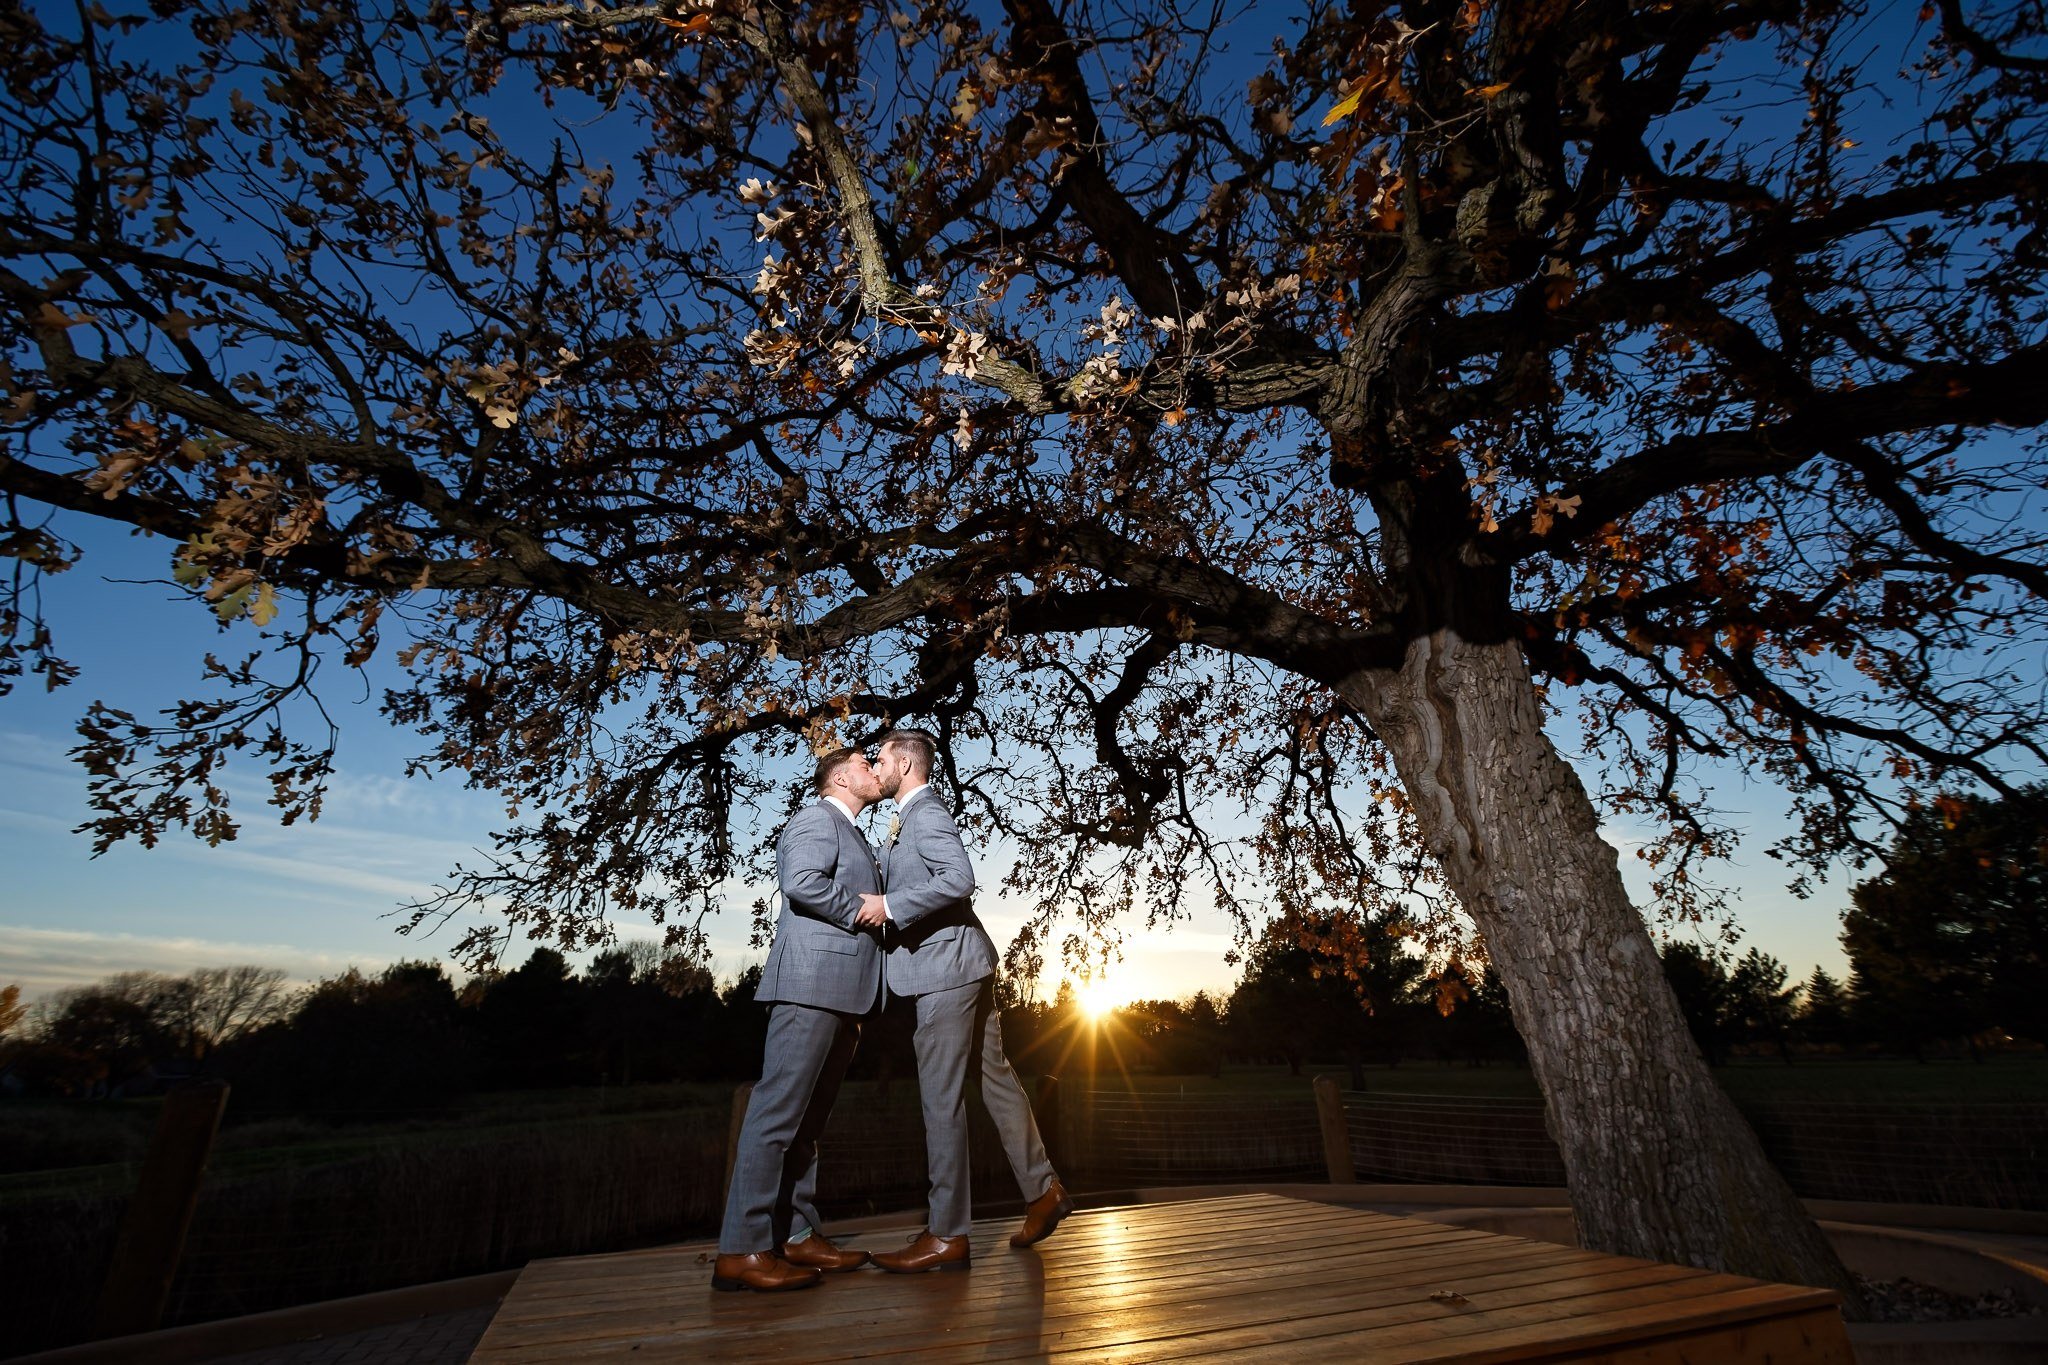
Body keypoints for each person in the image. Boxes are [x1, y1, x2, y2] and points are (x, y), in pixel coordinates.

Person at [866, 727, 1072, 1274]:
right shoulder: (907, 817)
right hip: (966, 964)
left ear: (906, 763)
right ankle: (1043, 1190)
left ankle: (947, 1234)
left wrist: (889, 906)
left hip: (945, 971)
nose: (875, 764)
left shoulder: (924, 811)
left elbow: (959, 878)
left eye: (881, 757)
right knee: (998, 1081)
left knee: (940, 1098)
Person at [711, 747, 891, 1292]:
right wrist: (861, 909)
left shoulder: (857, 833)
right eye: (865, 762)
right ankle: (741, 1249)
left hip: (846, 993)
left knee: (807, 1127)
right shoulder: (816, 818)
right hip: (810, 985)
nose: (873, 770)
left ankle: (796, 1236)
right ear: (839, 775)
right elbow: (802, 883)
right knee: (775, 1118)